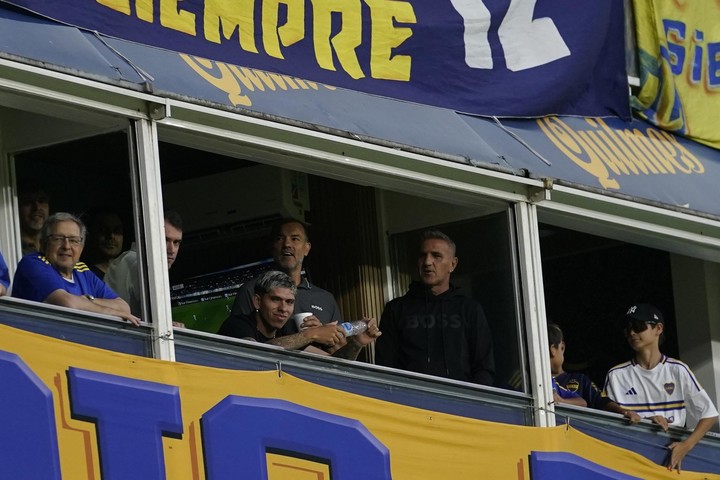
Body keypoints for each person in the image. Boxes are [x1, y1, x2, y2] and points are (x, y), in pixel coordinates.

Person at [602, 303, 719, 472]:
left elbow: (710, 414)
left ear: (658, 329)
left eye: (638, 326)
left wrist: (685, 446)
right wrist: (640, 419)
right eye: (628, 329)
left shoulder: (678, 370)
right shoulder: (616, 375)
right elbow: (605, 417)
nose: (632, 333)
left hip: (669, 461)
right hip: (629, 460)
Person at [375, 230, 495, 385]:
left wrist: (475, 405)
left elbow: (484, 367)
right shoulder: (396, 309)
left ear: (453, 264)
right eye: (422, 255)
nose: (427, 262)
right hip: (408, 403)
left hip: (461, 404)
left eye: (436, 256)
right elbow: (385, 367)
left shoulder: (469, 309)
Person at [11, 212, 140, 326]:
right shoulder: (33, 263)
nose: (66, 246)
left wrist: (89, 300)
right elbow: (68, 304)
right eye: (58, 239)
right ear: (44, 243)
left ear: (81, 247)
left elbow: (123, 307)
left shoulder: (82, 270)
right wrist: (111, 312)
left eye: (73, 240)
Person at [218, 270, 380, 360]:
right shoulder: (237, 325)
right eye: (275, 299)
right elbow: (254, 354)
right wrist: (312, 334)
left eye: (289, 302)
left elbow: (334, 365)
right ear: (257, 301)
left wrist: (357, 343)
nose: (283, 308)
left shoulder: (287, 330)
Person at [226, 218, 341, 334]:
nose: (287, 244)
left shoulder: (326, 299)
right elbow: (241, 344)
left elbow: (338, 349)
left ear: (307, 248)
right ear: (272, 247)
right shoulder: (250, 290)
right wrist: (309, 336)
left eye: (295, 239)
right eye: (280, 239)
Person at [105, 210, 183, 318]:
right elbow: (157, 320)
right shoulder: (140, 265)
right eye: (165, 240)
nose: (171, 250)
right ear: (148, 236)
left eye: (176, 242)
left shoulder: (126, 259)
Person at [547, 323, 586, 407]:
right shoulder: (524, 380)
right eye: (561, 347)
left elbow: (582, 403)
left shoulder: (551, 382)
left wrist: (560, 400)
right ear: (553, 349)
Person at [81, 208, 124, 279]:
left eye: (117, 231)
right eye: (104, 230)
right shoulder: (83, 276)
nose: (111, 236)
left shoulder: (130, 273)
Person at [18, 182, 50, 256]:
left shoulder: (56, 246)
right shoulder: (9, 247)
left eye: (41, 201)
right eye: (28, 202)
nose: (37, 208)